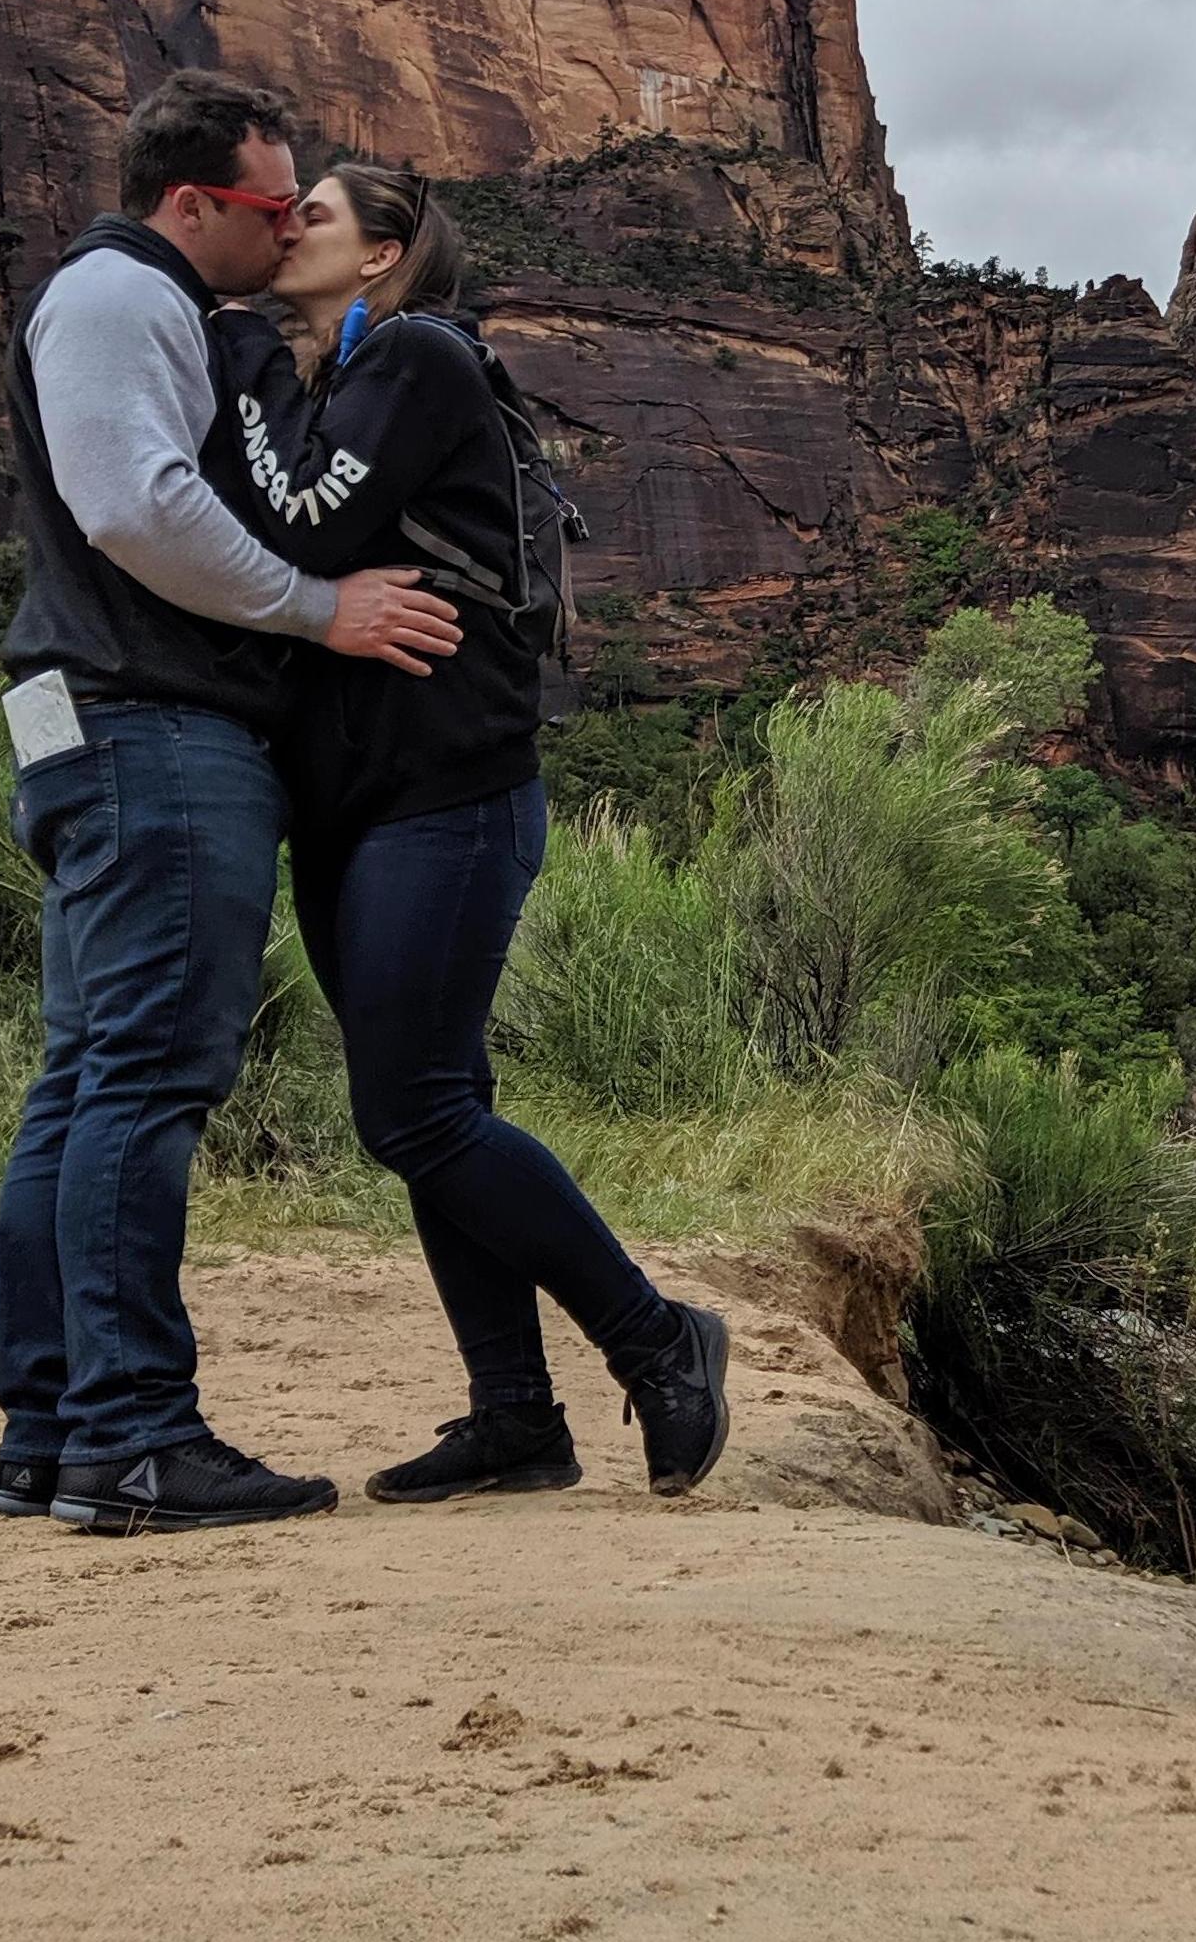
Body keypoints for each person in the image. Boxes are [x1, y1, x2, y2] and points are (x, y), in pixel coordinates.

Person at [0, 72, 466, 1535]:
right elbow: (135, 503)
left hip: (102, 727)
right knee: (145, 1077)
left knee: (88, 1076)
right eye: (271, 208)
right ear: (194, 203)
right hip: (151, 733)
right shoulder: (122, 296)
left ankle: (54, 1433)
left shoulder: (144, 306)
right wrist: (317, 608)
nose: (282, 234)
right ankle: (133, 1438)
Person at [213, 159, 729, 1504]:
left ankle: (660, 1339)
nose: (288, 231)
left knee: (418, 1110)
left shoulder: (425, 358)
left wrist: (253, 360)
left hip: (450, 796)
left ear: (383, 255)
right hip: (352, 810)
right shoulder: (345, 380)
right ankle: (515, 1418)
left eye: (314, 216)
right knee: (438, 1105)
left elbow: (295, 512)